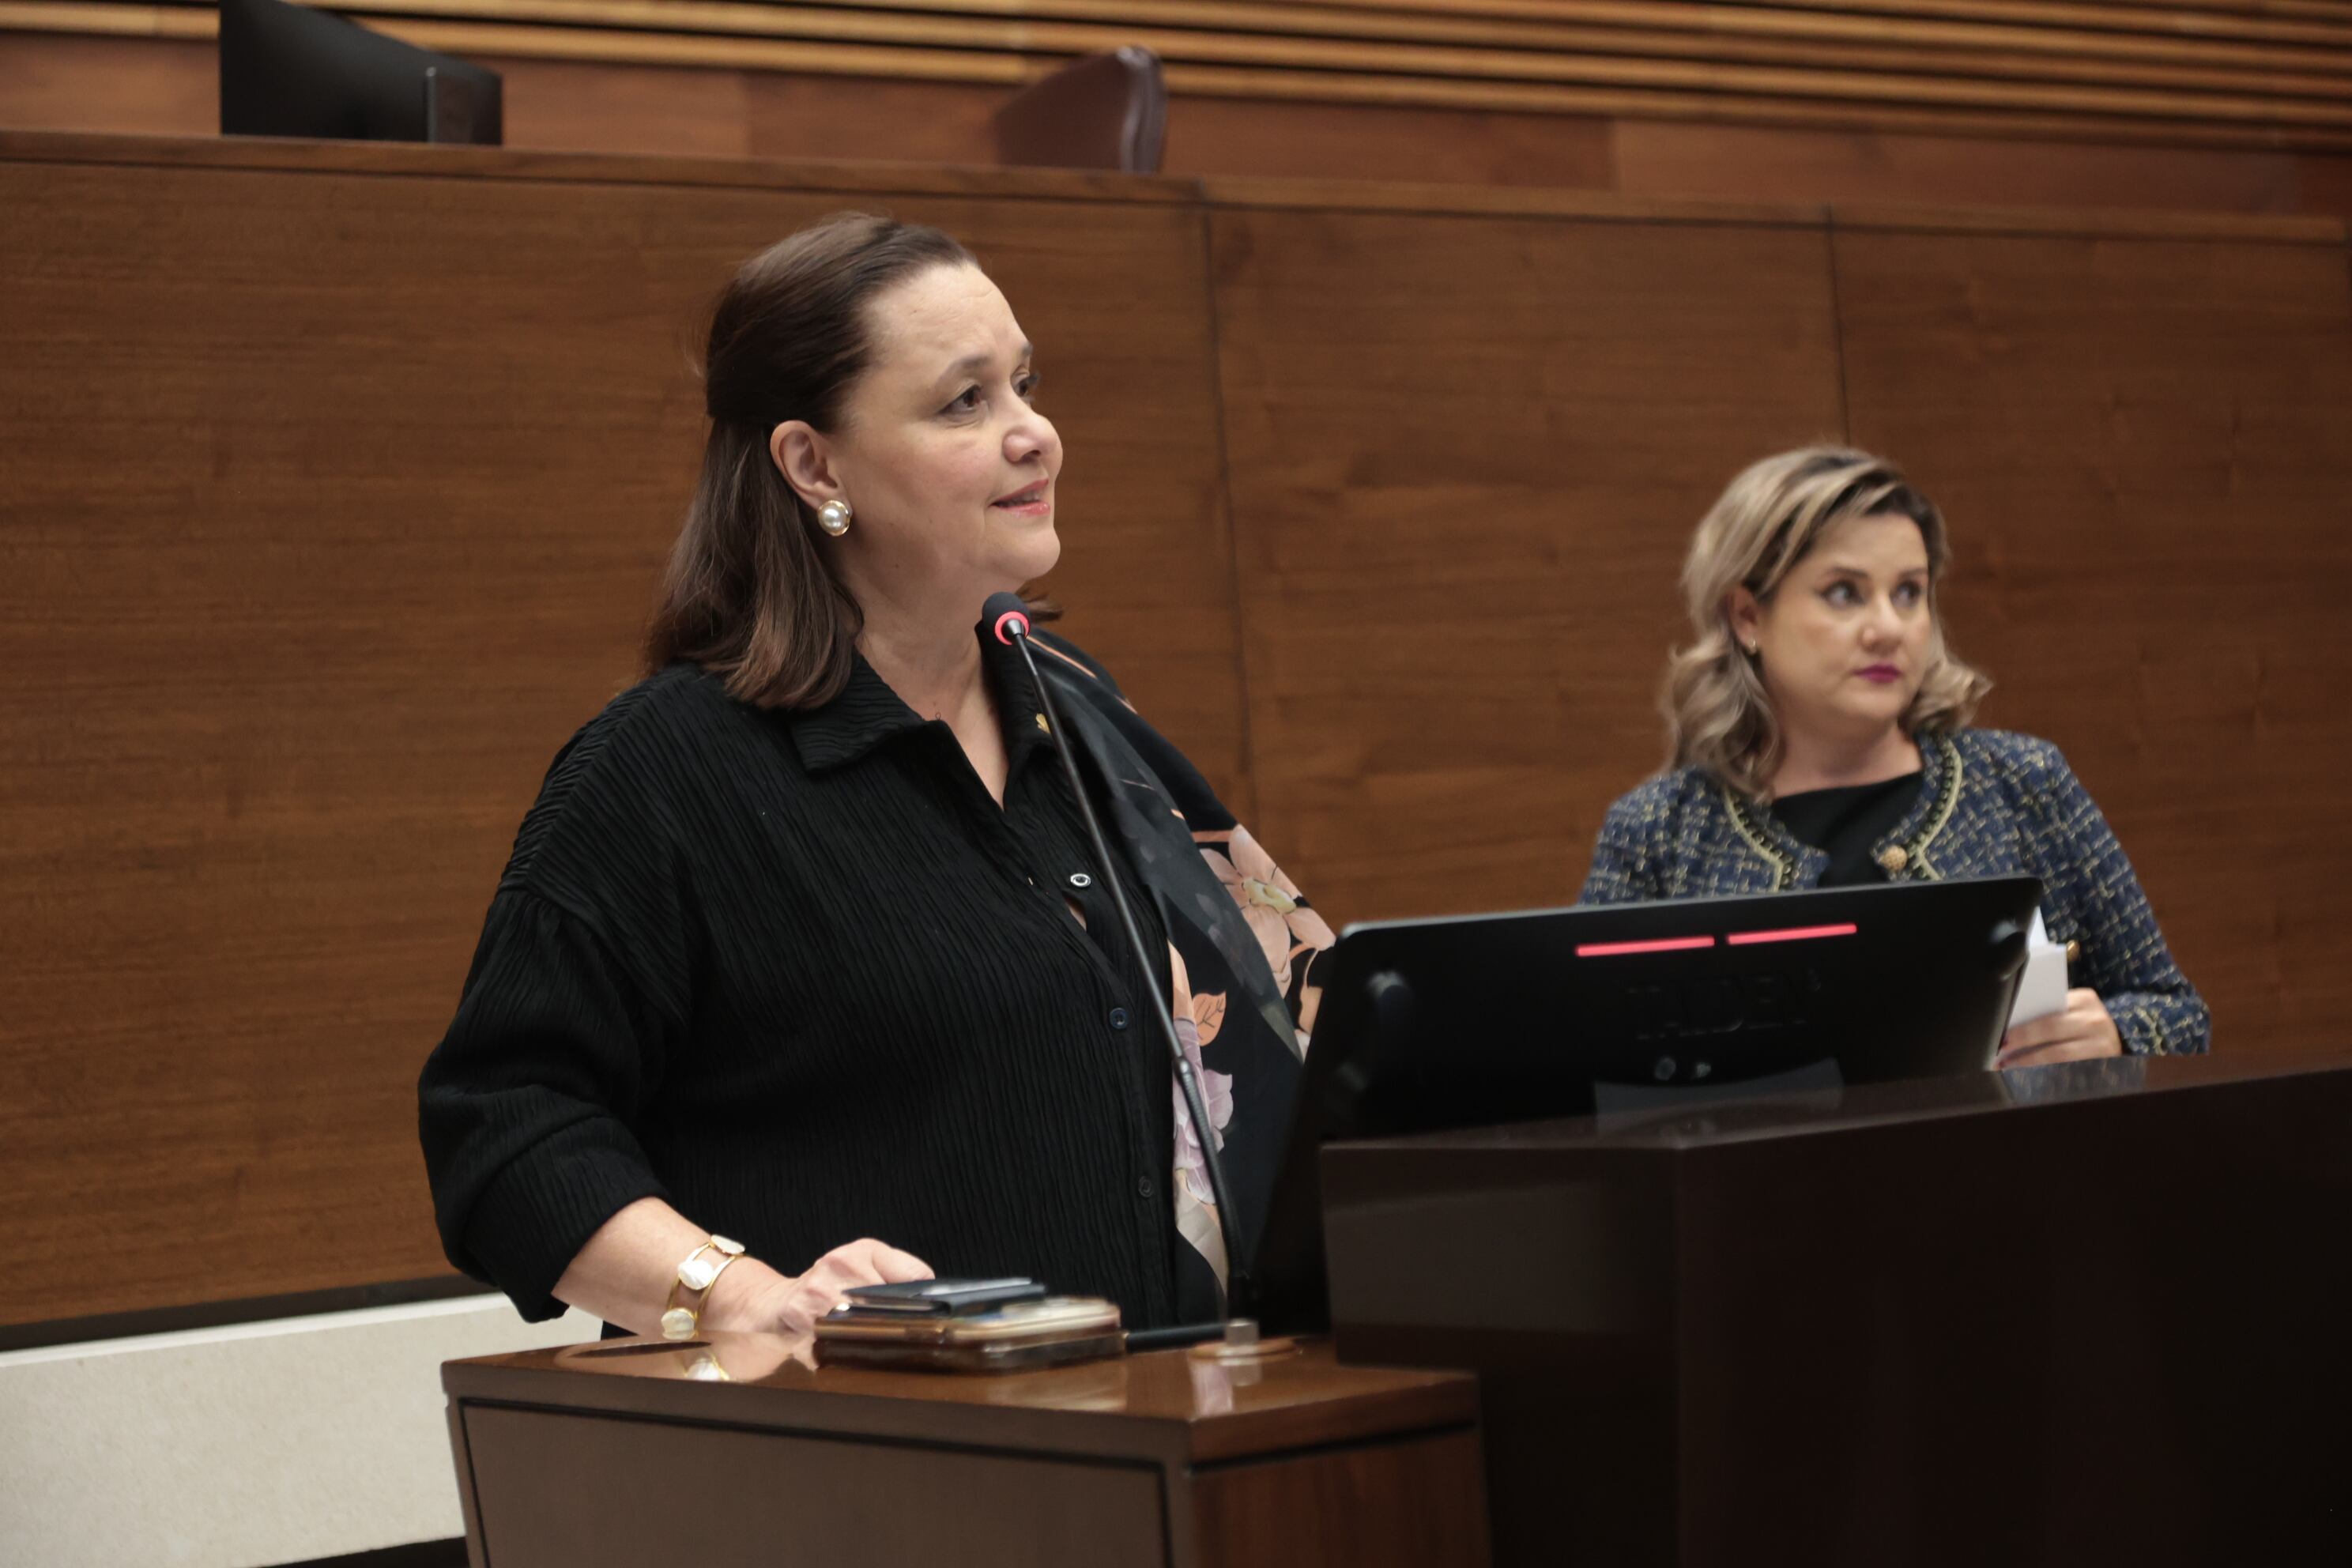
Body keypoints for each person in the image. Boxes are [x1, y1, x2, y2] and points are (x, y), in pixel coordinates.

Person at [418, 213, 1334, 1340]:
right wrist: (740, 1295)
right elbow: (505, 1129)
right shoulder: (663, 771)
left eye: (1025, 386)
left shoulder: (1073, 710)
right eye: (965, 402)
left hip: (1145, 1411)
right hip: (856, 1437)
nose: (1035, 436)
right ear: (814, 465)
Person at [1580, 445, 2208, 1064]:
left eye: (1909, 593)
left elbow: (2180, 1017)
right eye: (1844, 593)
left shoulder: (2023, 782)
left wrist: (2117, 1034)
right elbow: (1580, 1061)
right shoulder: (1659, 830)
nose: (1888, 628)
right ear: (1748, 617)